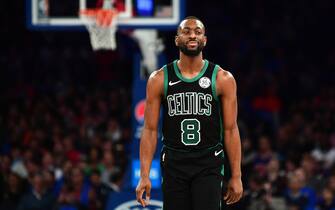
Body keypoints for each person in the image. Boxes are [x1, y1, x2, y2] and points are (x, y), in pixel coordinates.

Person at [136, 16, 243, 210]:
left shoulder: (222, 78)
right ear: (177, 40)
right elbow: (150, 130)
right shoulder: (159, 78)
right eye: (186, 31)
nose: (192, 35)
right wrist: (144, 175)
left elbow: (231, 129)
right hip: (174, 163)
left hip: (208, 162)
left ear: (205, 39)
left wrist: (236, 175)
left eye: (197, 32)